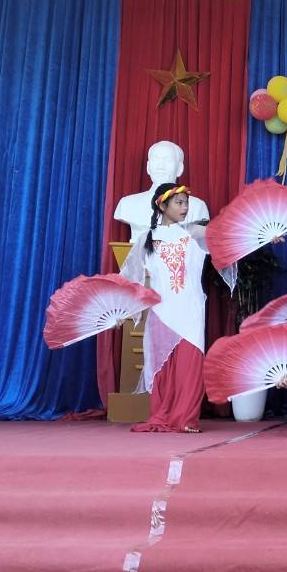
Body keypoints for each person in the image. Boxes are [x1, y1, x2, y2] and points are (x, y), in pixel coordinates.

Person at [119, 184, 214, 433]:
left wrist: (261, 237)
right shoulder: (147, 239)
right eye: (179, 203)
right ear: (162, 205)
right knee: (162, 366)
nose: (185, 208)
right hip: (162, 312)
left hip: (191, 310)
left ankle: (186, 419)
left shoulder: (193, 232)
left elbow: (228, 234)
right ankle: (162, 414)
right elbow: (130, 279)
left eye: (186, 203)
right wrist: (122, 310)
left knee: (189, 366)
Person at [113, 141, 209, 240]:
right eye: (156, 159)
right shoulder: (127, 204)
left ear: (180, 168)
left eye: (168, 160)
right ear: (148, 167)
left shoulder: (197, 207)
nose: (161, 167)